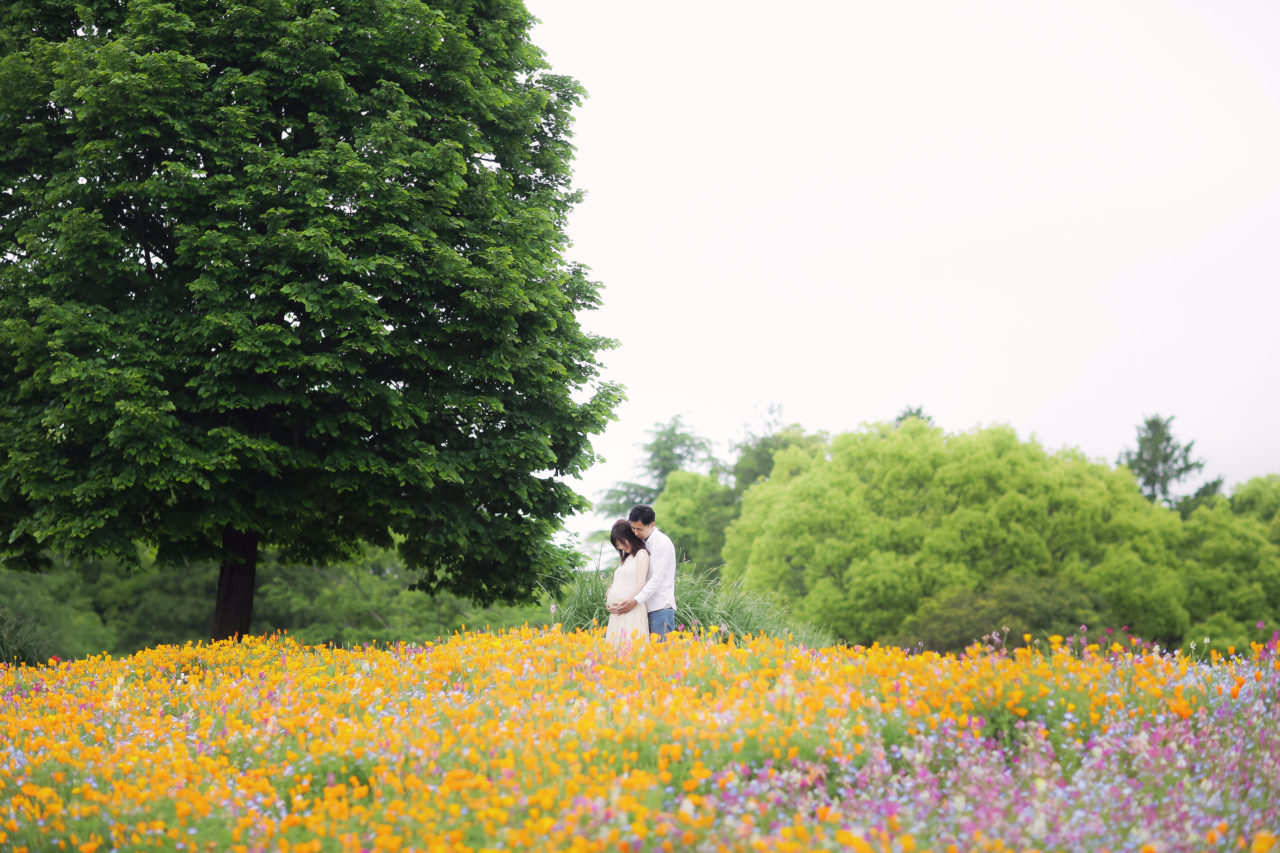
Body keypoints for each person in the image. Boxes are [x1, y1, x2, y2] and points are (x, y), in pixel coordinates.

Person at [607, 504, 677, 639]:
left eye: (639, 529)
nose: (635, 533)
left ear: (652, 525)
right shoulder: (640, 545)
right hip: (641, 609)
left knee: (663, 650)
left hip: (659, 608)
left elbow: (656, 579)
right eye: (633, 528)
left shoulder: (662, 543)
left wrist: (635, 600)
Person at [604, 519, 650, 646]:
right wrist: (611, 589)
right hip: (618, 613)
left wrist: (628, 601)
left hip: (631, 608)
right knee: (615, 648)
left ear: (630, 536)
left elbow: (641, 581)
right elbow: (623, 580)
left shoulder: (641, 554)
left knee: (630, 646)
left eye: (622, 542)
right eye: (618, 545)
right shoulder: (626, 559)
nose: (621, 547)